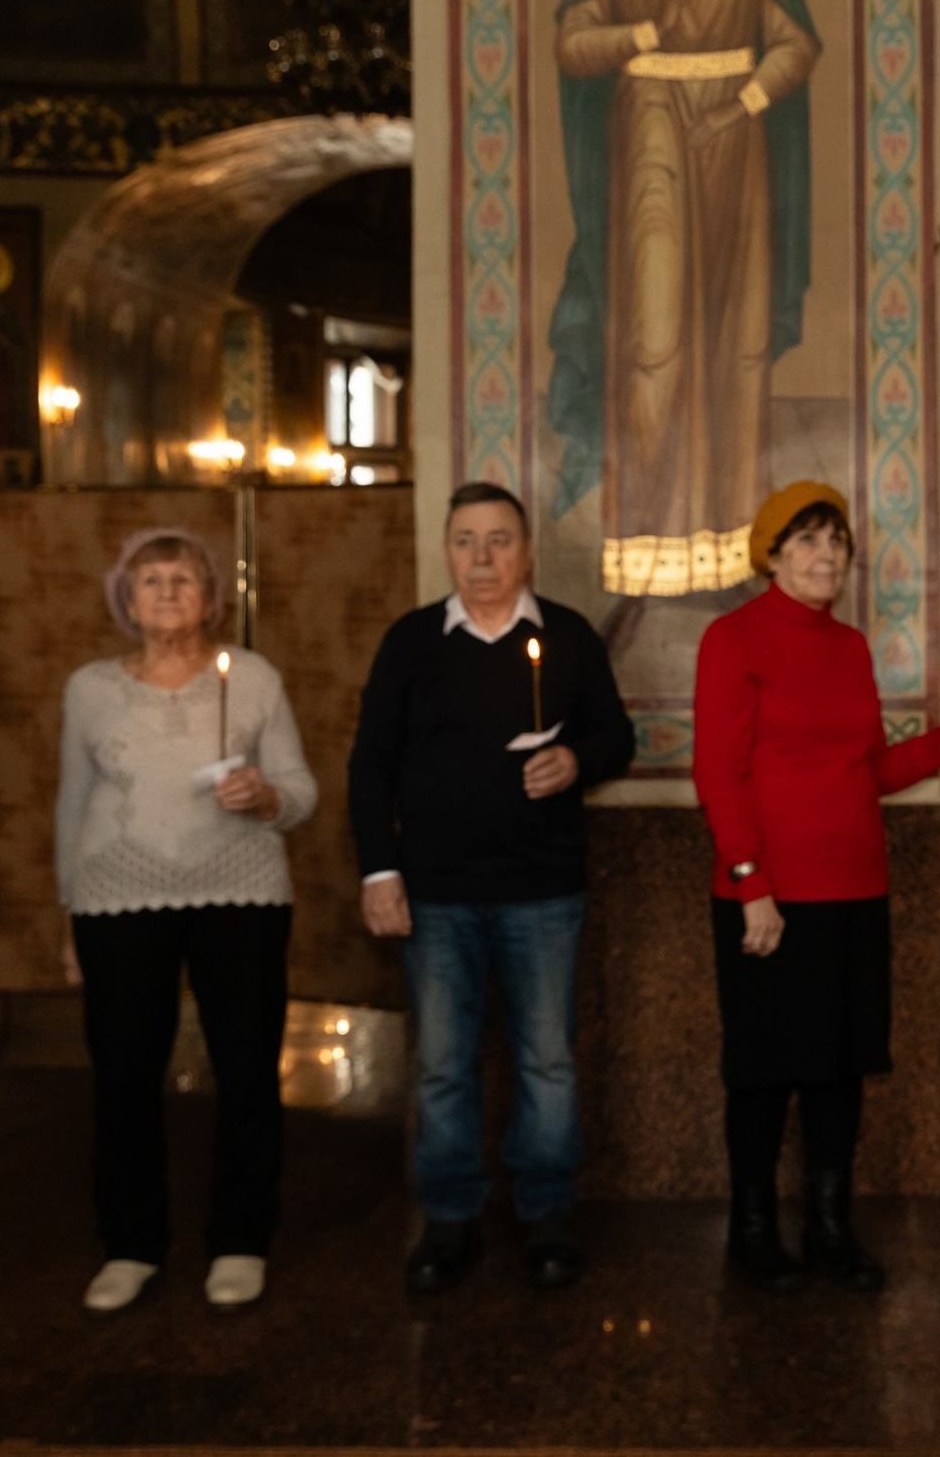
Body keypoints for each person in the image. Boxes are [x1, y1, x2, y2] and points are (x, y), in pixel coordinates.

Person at [691, 482, 940, 1293]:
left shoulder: (851, 647)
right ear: (772, 555)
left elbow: (866, 772)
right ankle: (753, 1230)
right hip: (770, 901)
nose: (826, 555)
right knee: (763, 1071)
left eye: (836, 541)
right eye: (807, 541)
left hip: (856, 890)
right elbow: (719, 773)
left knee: (839, 1070)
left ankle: (830, 1226)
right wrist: (751, 884)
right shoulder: (733, 639)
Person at [350, 482, 635, 1291]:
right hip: (435, 892)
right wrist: (380, 869)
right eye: (466, 540)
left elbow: (617, 736)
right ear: (446, 550)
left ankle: (546, 1213)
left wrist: (578, 760)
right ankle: (450, 1217)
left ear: (527, 551)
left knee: (547, 1060)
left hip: (541, 889)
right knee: (443, 1062)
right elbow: (370, 765)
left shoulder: (567, 637)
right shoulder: (412, 642)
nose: (482, 558)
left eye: (499, 540)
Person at [550, 0, 820, 599]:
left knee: (732, 337)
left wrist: (742, 101)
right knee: (655, 333)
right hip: (650, 143)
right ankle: (646, 539)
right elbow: (572, 43)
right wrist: (640, 29)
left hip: (735, 147)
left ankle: (738, 542)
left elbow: (793, 45)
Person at [54, 527, 317, 1315]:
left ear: (213, 597)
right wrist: (69, 912)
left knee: (246, 1070)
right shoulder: (89, 688)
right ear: (125, 599)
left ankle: (241, 1237)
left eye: (183, 579)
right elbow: (72, 804)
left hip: (240, 891)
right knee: (126, 1074)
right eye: (150, 580)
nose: (167, 592)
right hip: (117, 896)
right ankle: (131, 1244)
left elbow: (300, 787)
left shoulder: (256, 677)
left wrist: (267, 797)